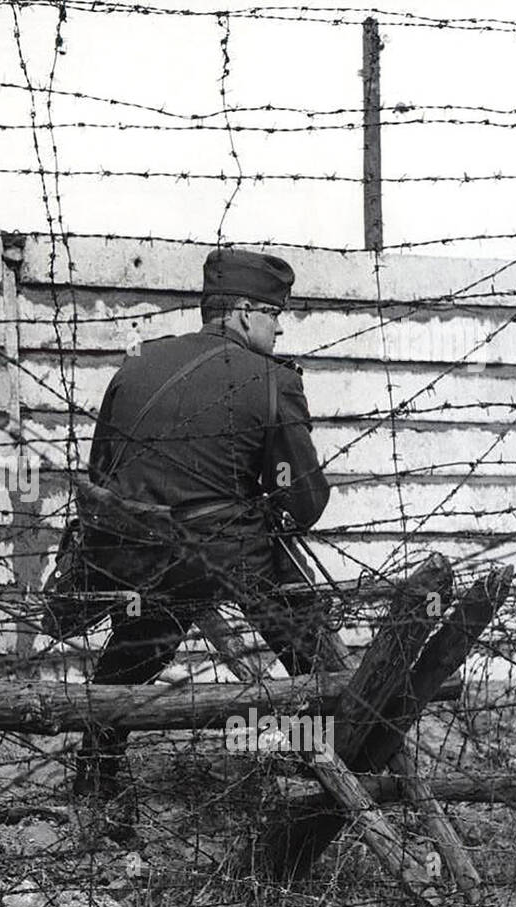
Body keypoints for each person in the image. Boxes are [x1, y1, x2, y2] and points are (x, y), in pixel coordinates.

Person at [75, 247, 346, 802]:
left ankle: (96, 767)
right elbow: (307, 500)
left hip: (130, 552)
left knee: (137, 642)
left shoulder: (136, 363)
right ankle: (338, 740)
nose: (278, 329)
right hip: (220, 556)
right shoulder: (270, 381)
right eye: (275, 315)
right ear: (245, 311)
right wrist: (265, 501)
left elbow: (101, 472)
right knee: (304, 631)